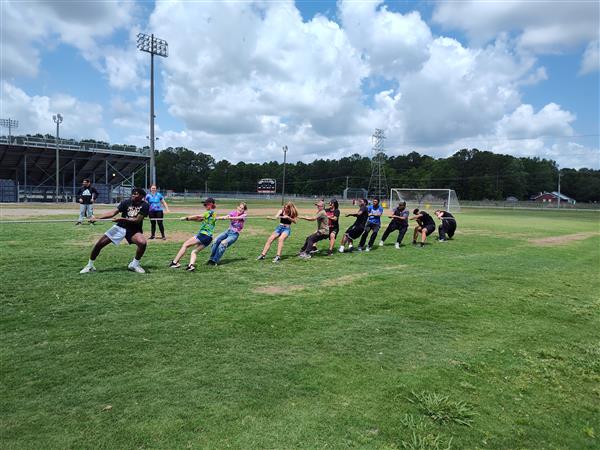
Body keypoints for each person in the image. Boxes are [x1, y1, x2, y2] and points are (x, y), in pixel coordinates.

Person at [79, 188, 149, 274]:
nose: (133, 195)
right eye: (133, 193)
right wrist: (97, 218)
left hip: (133, 230)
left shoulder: (145, 205)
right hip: (120, 227)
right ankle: (90, 266)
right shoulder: (126, 202)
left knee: (142, 243)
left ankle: (134, 264)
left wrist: (122, 218)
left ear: (141, 196)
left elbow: (137, 220)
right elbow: (113, 213)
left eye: (136, 194)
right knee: (99, 244)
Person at [169, 197, 217, 272]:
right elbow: (199, 220)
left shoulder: (209, 212)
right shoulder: (213, 214)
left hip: (203, 235)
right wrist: (188, 220)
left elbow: (198, 216)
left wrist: (186, 218)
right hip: (209, 238)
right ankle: (191, 266)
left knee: (185, 245)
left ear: (210, 204)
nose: (204, 206)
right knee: (194, 252)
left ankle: (175, 262)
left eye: (205, 204)